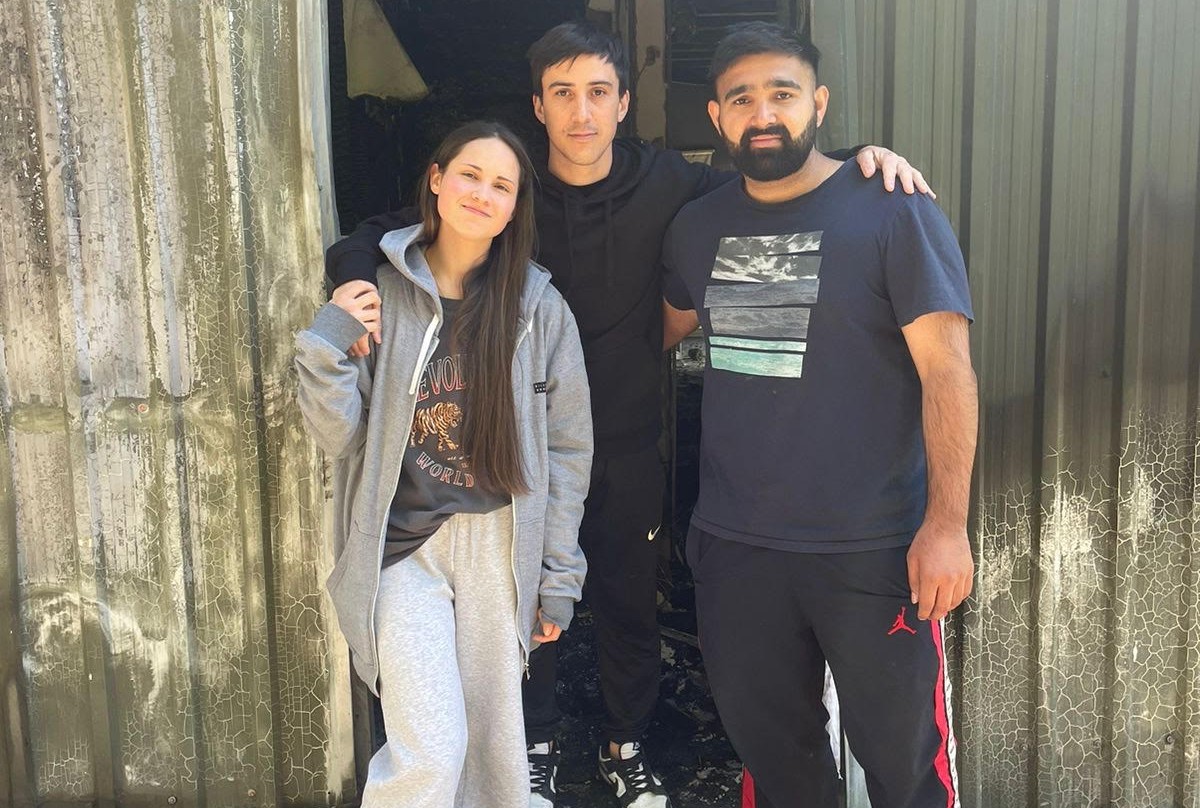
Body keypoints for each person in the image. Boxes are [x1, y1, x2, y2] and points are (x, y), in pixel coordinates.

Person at [324, 22, 931, 808]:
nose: (582, 113)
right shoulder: (508, 187)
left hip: (628, 433)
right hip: (512, 449)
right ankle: (531, 743)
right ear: (538, 107)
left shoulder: (674, 182)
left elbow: (777, 164)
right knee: (529, 599)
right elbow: (385, 233)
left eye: (599, 93)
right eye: (564, 94)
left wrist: (863, 159)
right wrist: (349, 280)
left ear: (623, 104)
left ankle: (625, 744)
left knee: (626, 595)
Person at [660, 22, 977, 808]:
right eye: (742, 98)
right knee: (777, 764)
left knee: (906, 770)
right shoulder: (696, 228)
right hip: (737, 551)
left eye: (782, 94)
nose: (763, 112)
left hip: (874, 550)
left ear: (818, 104)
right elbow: (645, 339)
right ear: (717, 116)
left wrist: (946, 526)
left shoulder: (893, 209)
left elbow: (947, 374)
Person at [295, 120, 593, 808]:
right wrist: (329, 337)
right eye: (469, 174)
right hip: (404, 550)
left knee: (494, 750)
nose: (482, 194)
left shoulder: (539, 309)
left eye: (501, 185)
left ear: (516, 206)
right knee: (430, 749)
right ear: (436, 179)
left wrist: (559, 574)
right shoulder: (380, 290)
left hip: (498, 548)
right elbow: (339, 437)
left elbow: (569, 449)